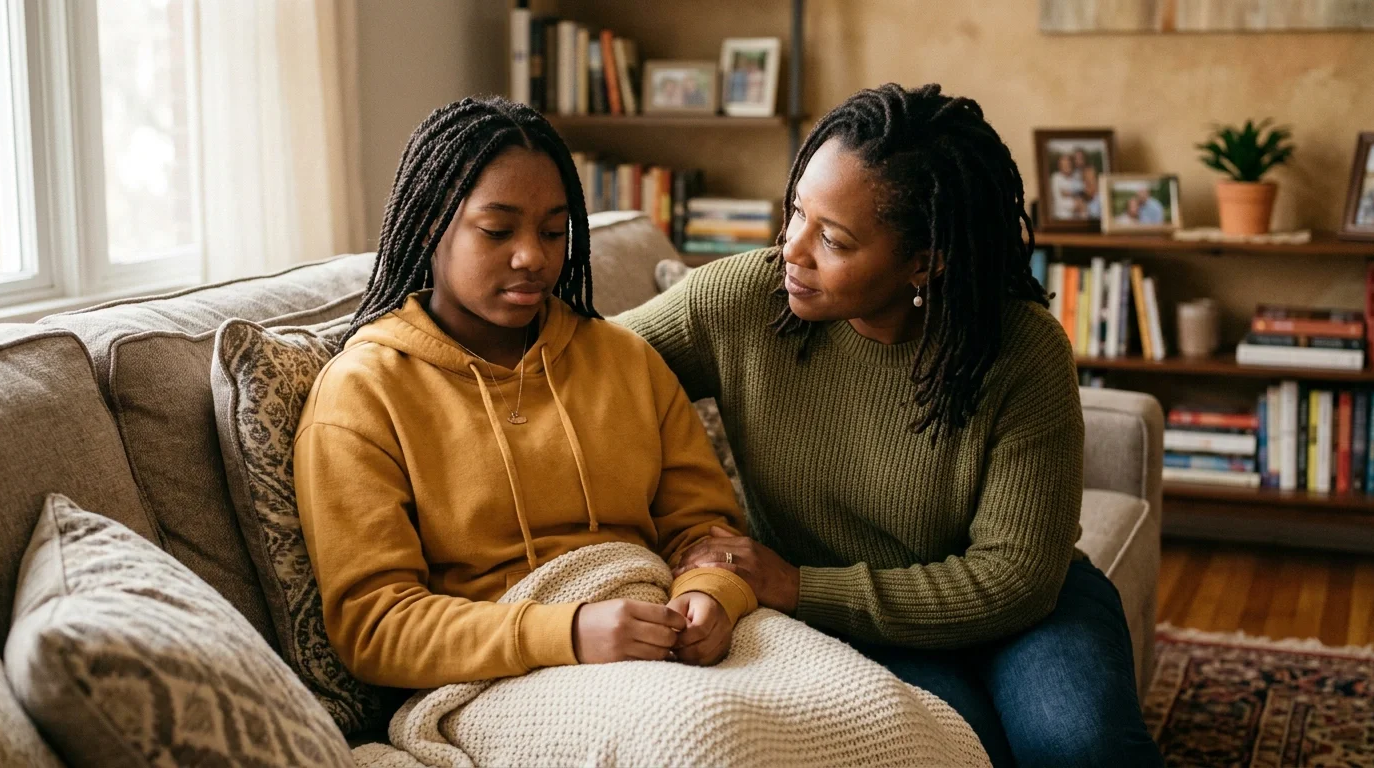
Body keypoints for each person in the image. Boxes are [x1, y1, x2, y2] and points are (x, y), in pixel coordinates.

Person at [618, 83, 1163, 768]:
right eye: (795, 214)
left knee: (1080, 748)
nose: (792, 248)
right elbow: (589, 372)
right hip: (856, 625)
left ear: (926, 260)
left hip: (1024, 612)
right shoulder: (739, 302)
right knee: (957, 748)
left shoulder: (1019, 349)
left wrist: (795, 585)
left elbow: (1017, 576)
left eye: (834, 239)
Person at [293, 97, 758, 690]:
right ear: (432, 222)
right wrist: (567, 633)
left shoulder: (626, 360)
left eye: (553, 231)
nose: (533, 257)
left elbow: (706, 533)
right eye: (498, 229)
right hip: (503, 677)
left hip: (665, 638)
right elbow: (375, 625)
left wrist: (712, 594)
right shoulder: (364, 394)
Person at [1049, 152, 1082, 220]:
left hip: (1077, 219)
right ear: (1060, 166)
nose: (1067, 166)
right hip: (1061, 219)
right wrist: (1075, 204)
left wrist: (1070, 194)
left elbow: (1082, 195)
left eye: (1068, 163)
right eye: (1064, 164)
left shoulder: (1076, 176)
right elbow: (1058, 202)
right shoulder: (1056, 178)